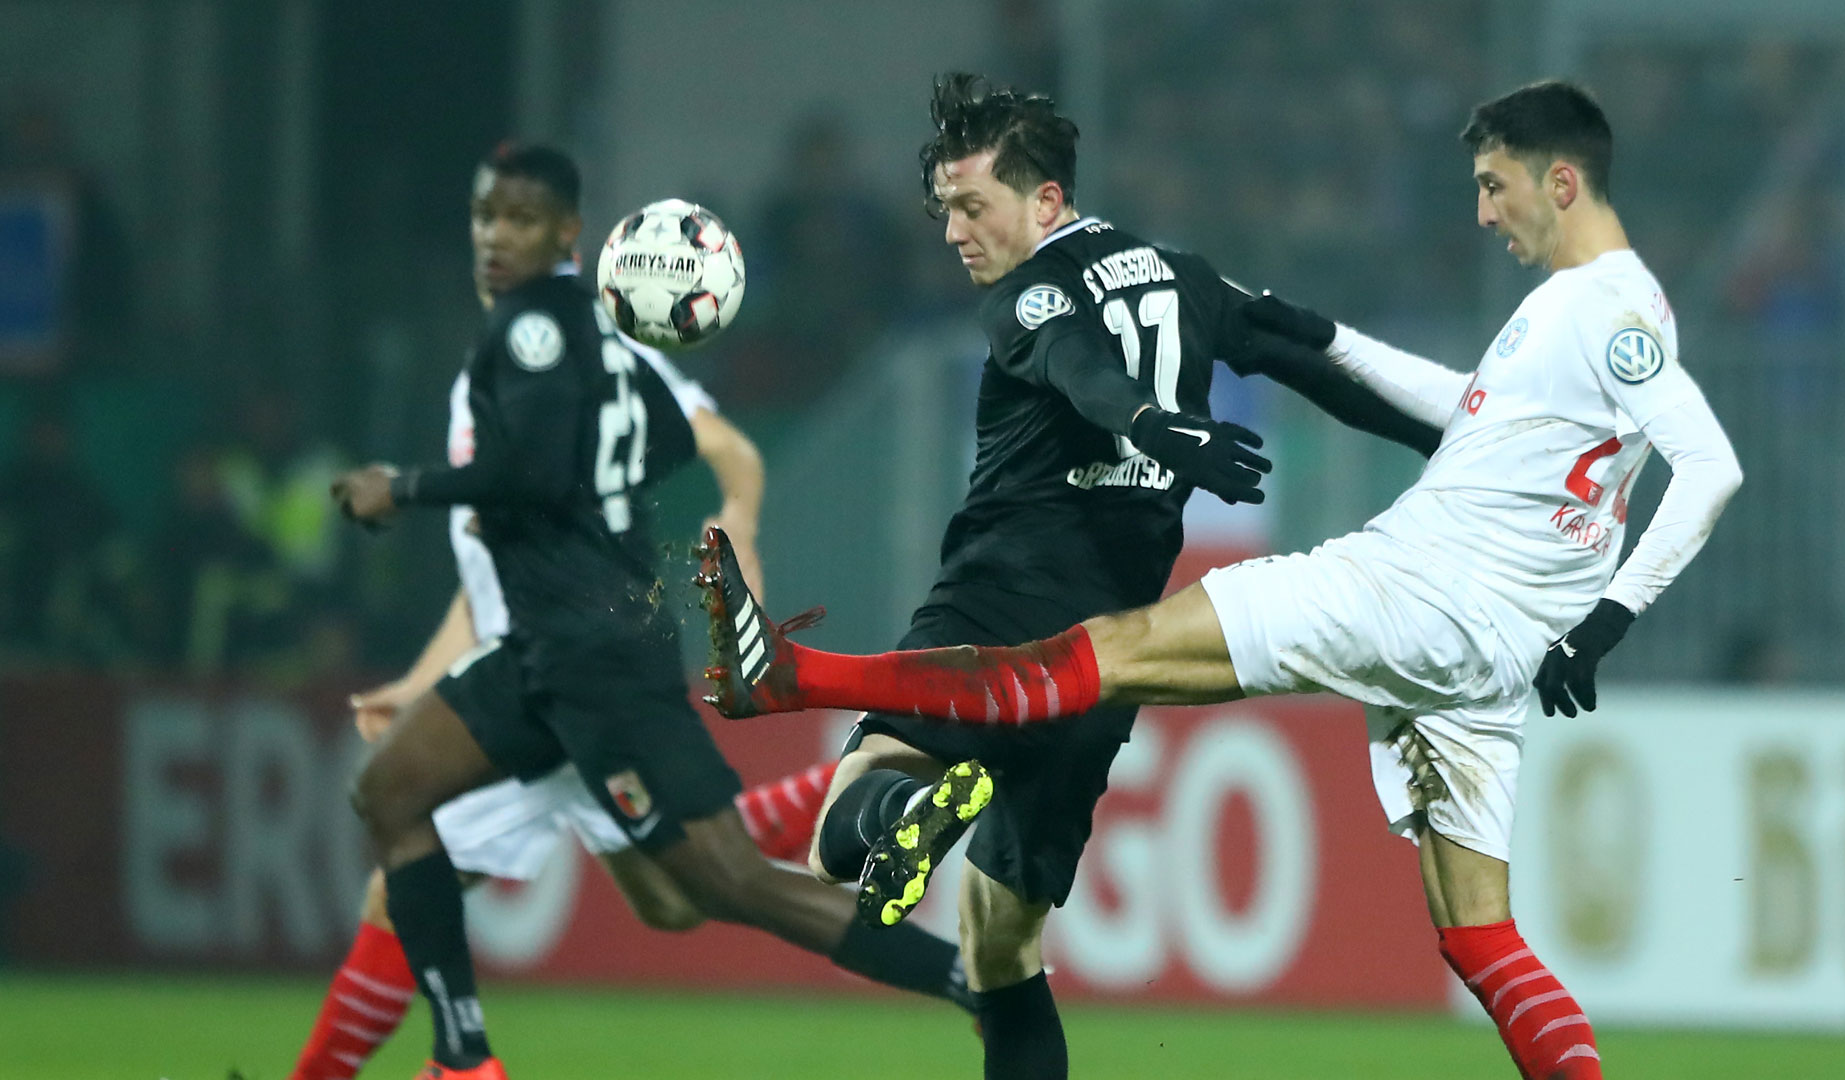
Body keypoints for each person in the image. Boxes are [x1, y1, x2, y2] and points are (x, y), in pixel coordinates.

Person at [699, 81, 1743, 1080]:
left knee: (874, 821)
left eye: (971, 207)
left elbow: (1076, 365)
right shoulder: (1185, 276)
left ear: (1046, 199)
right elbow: (1361, 377)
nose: (955, 231)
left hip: (1079, 610)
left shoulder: (1027, 295)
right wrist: (1393, 401)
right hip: (1426, 648)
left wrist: (1151, 421)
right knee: (1017, 952)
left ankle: (810, 695)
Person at [329, 143, 973, 1080]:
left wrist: (404, 485)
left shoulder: (536, 336)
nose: (495, 238)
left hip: (595, 661)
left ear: (566, 236)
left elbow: (533, 477)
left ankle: (972, 981)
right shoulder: (608, 355)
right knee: (388, 791)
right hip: (540, 653)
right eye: (485, 218)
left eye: (518, 221)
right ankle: (464, 1057)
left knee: (723, 886)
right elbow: (656, 448)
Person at [286, 587, 836, 1080]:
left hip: (534, 699)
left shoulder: (506, 479)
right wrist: (421, 685)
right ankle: (842, 783)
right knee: (672, 901)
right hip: (562, 687)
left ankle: (451, 1062)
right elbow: (477, 593)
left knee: (401, 886)